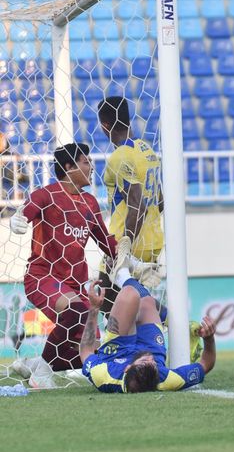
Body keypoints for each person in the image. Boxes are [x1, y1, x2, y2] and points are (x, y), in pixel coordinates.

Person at [8, 143, 117, 388]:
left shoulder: (90, 202)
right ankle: (41, 374)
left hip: (75, 286)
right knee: (77, 311)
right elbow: (27, 210)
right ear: (69, 167)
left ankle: (36, 364)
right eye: (86, 162)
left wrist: (129, 258)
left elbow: (107, 243)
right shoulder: (46, 195)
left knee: (92, 352)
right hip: (42, 277)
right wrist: (18, 218)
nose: (91, 167)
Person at [78, 267, 217, 393]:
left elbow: (85, 351)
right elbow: (206, 364)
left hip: (117, 351)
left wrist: (94, 308)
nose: (150, 358)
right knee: (147, 302)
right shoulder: (166, 379)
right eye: (154, 364)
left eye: (145, 361)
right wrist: (209, 338)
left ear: (127, 368)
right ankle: (180, 325)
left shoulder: (105, 376)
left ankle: (122, 273)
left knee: (130, 294)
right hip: (150, 345)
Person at [98, 96, 164, 282]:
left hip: (127, 244)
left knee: (104, 297)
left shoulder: (120, 157)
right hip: (151, 243)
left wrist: (123, 250)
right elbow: (160, 201)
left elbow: (137, 207)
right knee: (136, 299)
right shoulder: (146, 150)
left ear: (104, 126)